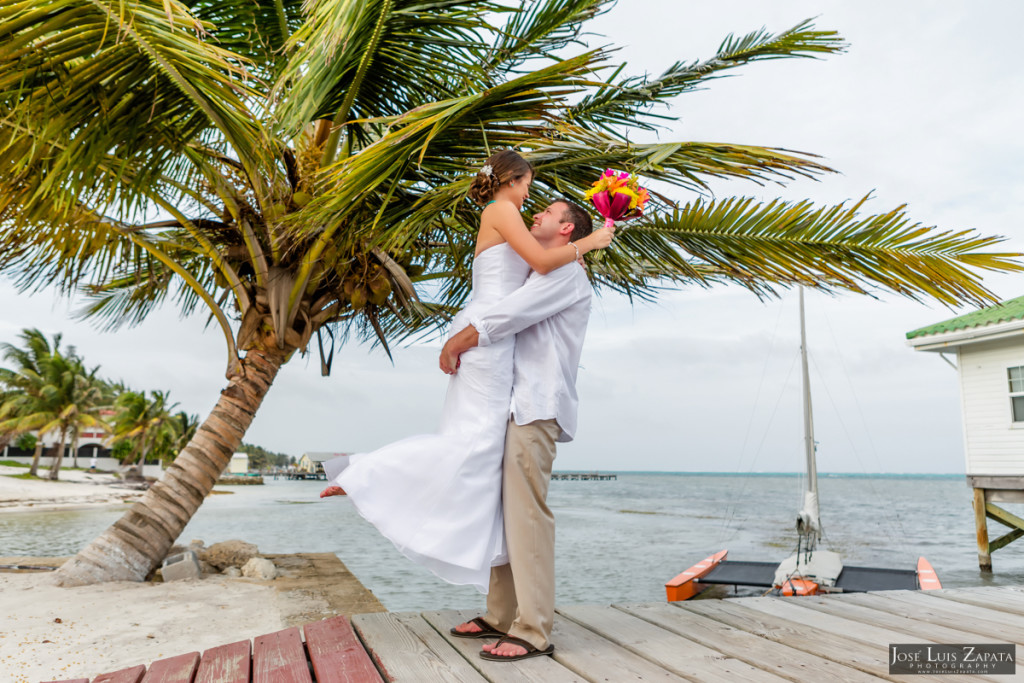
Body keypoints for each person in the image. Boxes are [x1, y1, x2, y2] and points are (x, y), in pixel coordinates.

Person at [319, 150, 612, 594]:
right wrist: (591, 242)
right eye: (529, 185)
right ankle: (364, 474)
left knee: (477, 449)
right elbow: (539, 261)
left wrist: (574, 256)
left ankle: (378, 485)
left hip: (488, 335)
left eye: (543, 203)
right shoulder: (502, 209)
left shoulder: (505, 214)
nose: (531, 198)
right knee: (474, 444)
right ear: (510, 180)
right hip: (486, 336)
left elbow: (542, 274)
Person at [442, 199, 598, 661]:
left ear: (567, 229)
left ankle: (532, 629)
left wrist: (459, 340)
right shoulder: (541, 269)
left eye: (546, 213)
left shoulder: (564, 274)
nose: (535, 216)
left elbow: (509, 316)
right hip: (514, 404)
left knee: (527, 514)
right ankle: (501, 612)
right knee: (504, 510)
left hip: (537, 406)